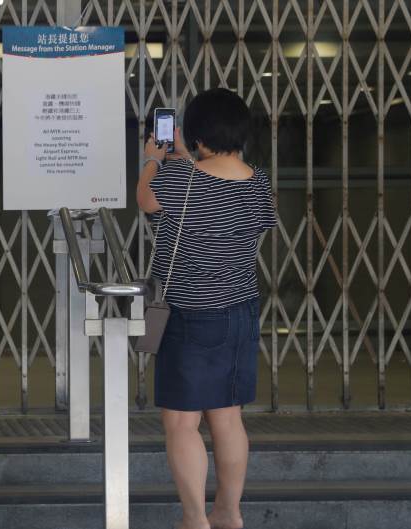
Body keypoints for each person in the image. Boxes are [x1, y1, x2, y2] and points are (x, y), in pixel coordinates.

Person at [135, 88, 277, 529]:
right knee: (228, 418)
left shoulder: (182, 179)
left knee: (181, 423)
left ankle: (195, 519)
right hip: (241, 312)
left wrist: (153, 159)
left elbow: (147, 199)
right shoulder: (259, 181)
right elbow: (242, 209)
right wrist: (189, 155)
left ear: (196, 136)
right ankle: (229, 513)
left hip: (191, 314)